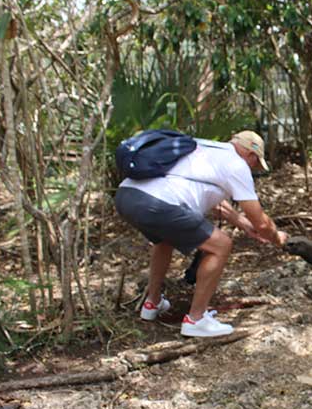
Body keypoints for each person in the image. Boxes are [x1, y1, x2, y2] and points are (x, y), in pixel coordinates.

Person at [114, 130, 288, 337]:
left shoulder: (202, 146)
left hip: (126, 197)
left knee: (164, 241)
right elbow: (261, 222)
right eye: (255, 164)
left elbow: (217, 203)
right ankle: (196, 320)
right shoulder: (236, 164)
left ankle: (152, 304)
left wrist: (241, 223)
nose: (253, 169)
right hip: (158, 204)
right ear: (251, 155)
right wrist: (278, 238)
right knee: (221, 245)